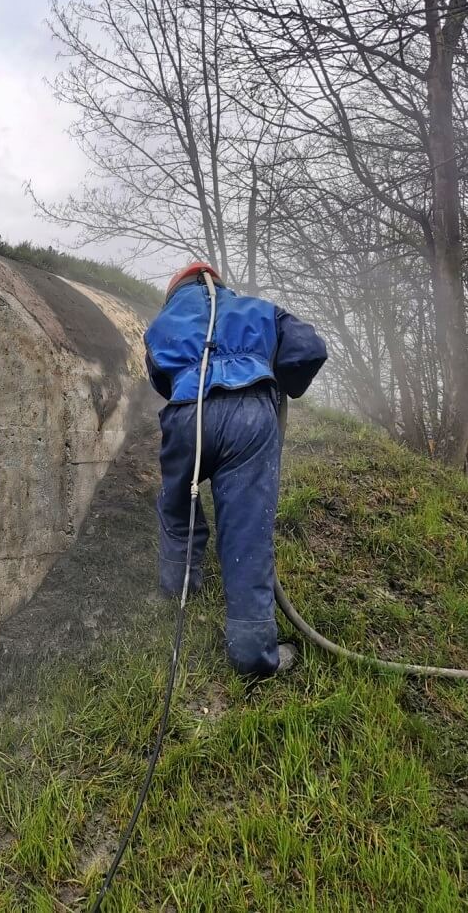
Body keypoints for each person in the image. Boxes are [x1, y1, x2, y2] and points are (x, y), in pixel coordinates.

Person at [144, 262, 328, 676]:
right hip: (249, 416)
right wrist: (279, 379)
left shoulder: (161, 324)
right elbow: (309, 348)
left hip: (185, 417)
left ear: (176, 293)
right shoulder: (257, 309)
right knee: (246, 531)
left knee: (177, 508)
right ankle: (251, 655)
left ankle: (178, 592)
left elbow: (159, 378)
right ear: (218, 287)